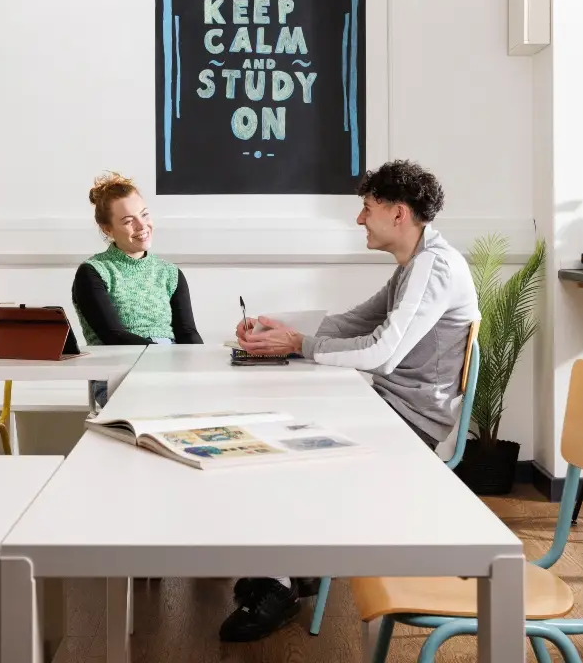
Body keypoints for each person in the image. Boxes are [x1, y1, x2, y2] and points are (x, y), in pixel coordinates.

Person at [219, 159, 481, 643]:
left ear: (397, 214)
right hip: (391, 409)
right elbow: (356, 323)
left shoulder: (433, 266)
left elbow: (381, 353)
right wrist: (278, 326)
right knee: (281, 430)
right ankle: (294, 569)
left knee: (285, 449)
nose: (360, 219)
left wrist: (297, 344)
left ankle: (280, 582)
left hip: (412, 425)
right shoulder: (415, 264)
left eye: (366, 208)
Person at [71, 172, 202, 411]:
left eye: (144, 215)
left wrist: (205, 371)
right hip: (117, 373)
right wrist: (166, 360)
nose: (142, 226)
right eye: (128, 221)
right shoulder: (93, 272)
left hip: (169, 371)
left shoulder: (170, 273)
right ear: (107, 229)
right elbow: (113, 337)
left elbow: (188, 334)